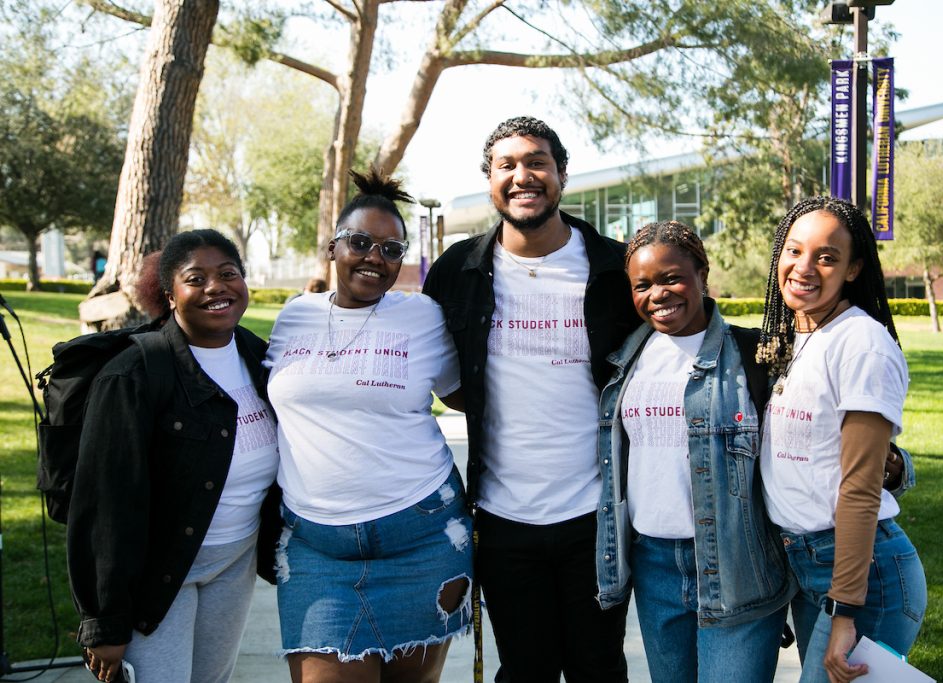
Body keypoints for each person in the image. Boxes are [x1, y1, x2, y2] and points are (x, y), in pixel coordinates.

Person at [422, 116, 639, 683]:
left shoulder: (617, 268)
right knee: (525, 670)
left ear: (562, 175)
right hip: (502, 518)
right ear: (490, 181)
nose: (524, 176)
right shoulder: (457, 271)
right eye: (507, 166)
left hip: (599, 516)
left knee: (598, 669)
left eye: (537, 162)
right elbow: (437, 367)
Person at [265, 168, 471, 683]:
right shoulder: (294, 317)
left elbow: (469, 396)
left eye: (391, 249)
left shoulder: (423, 316)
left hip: (423, 537)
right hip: (317, 551)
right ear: (333, 248)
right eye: (360, 242)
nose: (375, 258)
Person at [68, 229, 282, 683]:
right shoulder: (133, 376)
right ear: (169, 296)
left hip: (234, 561)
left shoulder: (257, 355)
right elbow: (103, 506)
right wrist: (104, 622)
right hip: (160, 572)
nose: (215, 287)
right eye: (195, 278)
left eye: (228, 274)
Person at [595, 221, 792, 682]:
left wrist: (894, 465)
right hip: (654, 567)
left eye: (671, 278)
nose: (658, 294)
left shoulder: (755, 355)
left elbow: (815, 433)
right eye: (642, 285)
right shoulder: (624, 361)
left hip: (736, 564)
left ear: (702, 273)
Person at [756, 196, 927, 683]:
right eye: (794, 251)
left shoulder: (863, 345)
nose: (804, 267)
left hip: (863, 578)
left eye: (827, 257)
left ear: (853, 269)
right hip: (809, 565)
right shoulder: (801, 336)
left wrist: (846, 612)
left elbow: (859, 489)